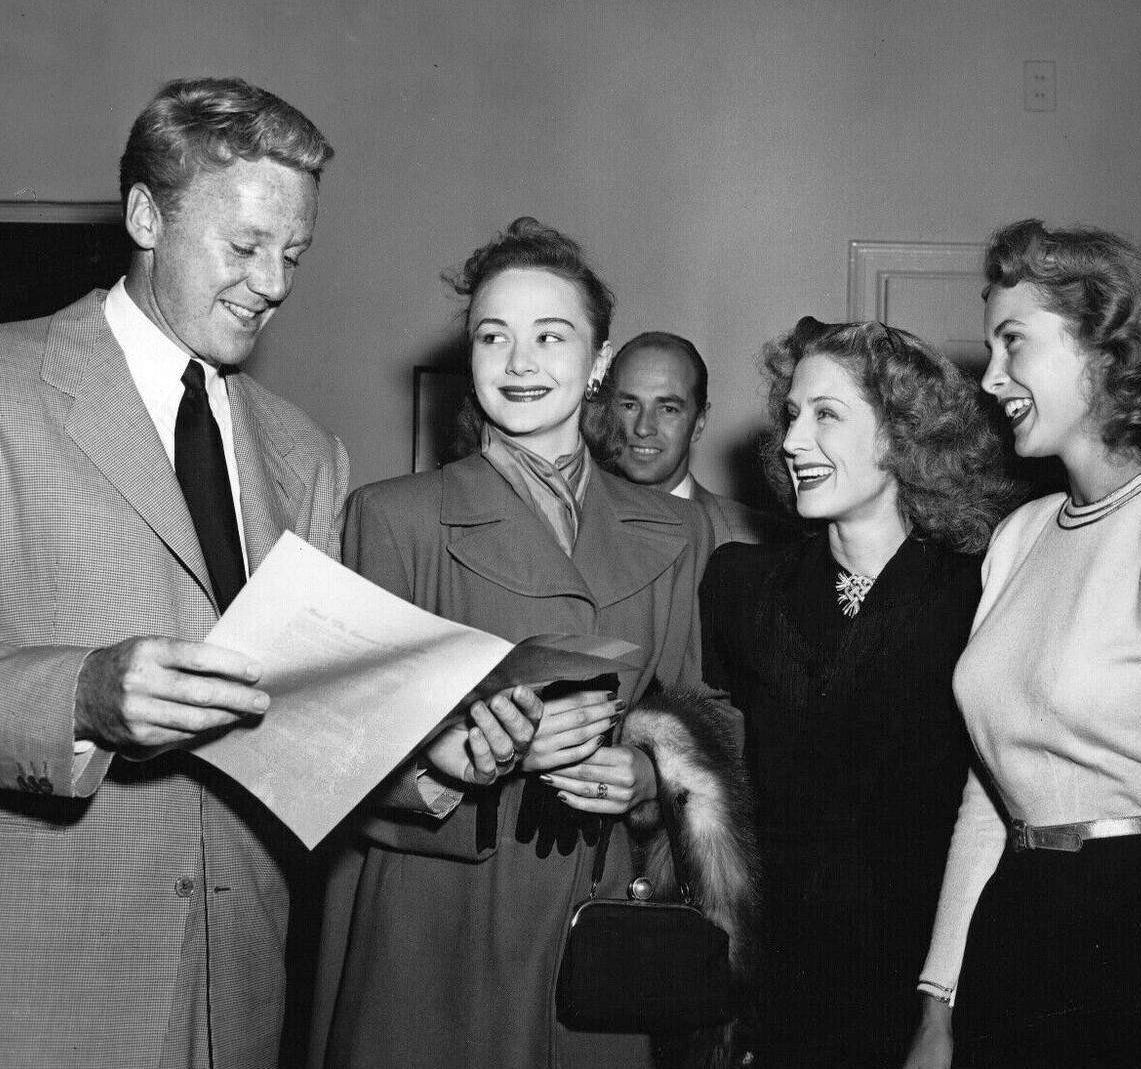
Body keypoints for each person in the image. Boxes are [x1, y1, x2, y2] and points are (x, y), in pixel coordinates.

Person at [314, 218, 755, 1069]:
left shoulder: (675, 529)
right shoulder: (394, 517)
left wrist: (650, 773)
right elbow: (337, 752)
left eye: (551, 336)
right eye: (494, 336)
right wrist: (472, 755)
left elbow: (708, 713)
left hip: (603, 929)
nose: (520, 363)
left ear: (598, 361)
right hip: (439, 917)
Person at [0, 77, 349, 1068]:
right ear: (147, 217)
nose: (273, 284)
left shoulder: (308, 454)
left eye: (293, 254)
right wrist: (80, 695)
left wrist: (429, 756)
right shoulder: (8, 388)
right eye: (245, 247)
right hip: (45, 987)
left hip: (238, 991)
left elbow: (310, 729)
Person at [905, 219, 1141, 1069]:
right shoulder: (1017, 539)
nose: (990, 377)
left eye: (1014, 342)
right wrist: (937, 1002)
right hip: (1014, 935)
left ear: (1105, 350)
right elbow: (988, 801)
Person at [699, 317, 1019, 1066]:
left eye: (826, 415)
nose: (792, 440)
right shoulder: (740, 587)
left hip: (930, 996)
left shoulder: (982, 593)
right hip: (773, 1001)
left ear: (902, 436)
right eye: (791, 414)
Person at [603, 330, 782, 545]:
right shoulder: (572, 522)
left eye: (668, 409)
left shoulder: (755, 540)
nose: (643, 428)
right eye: (629, 406)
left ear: (699, 422)